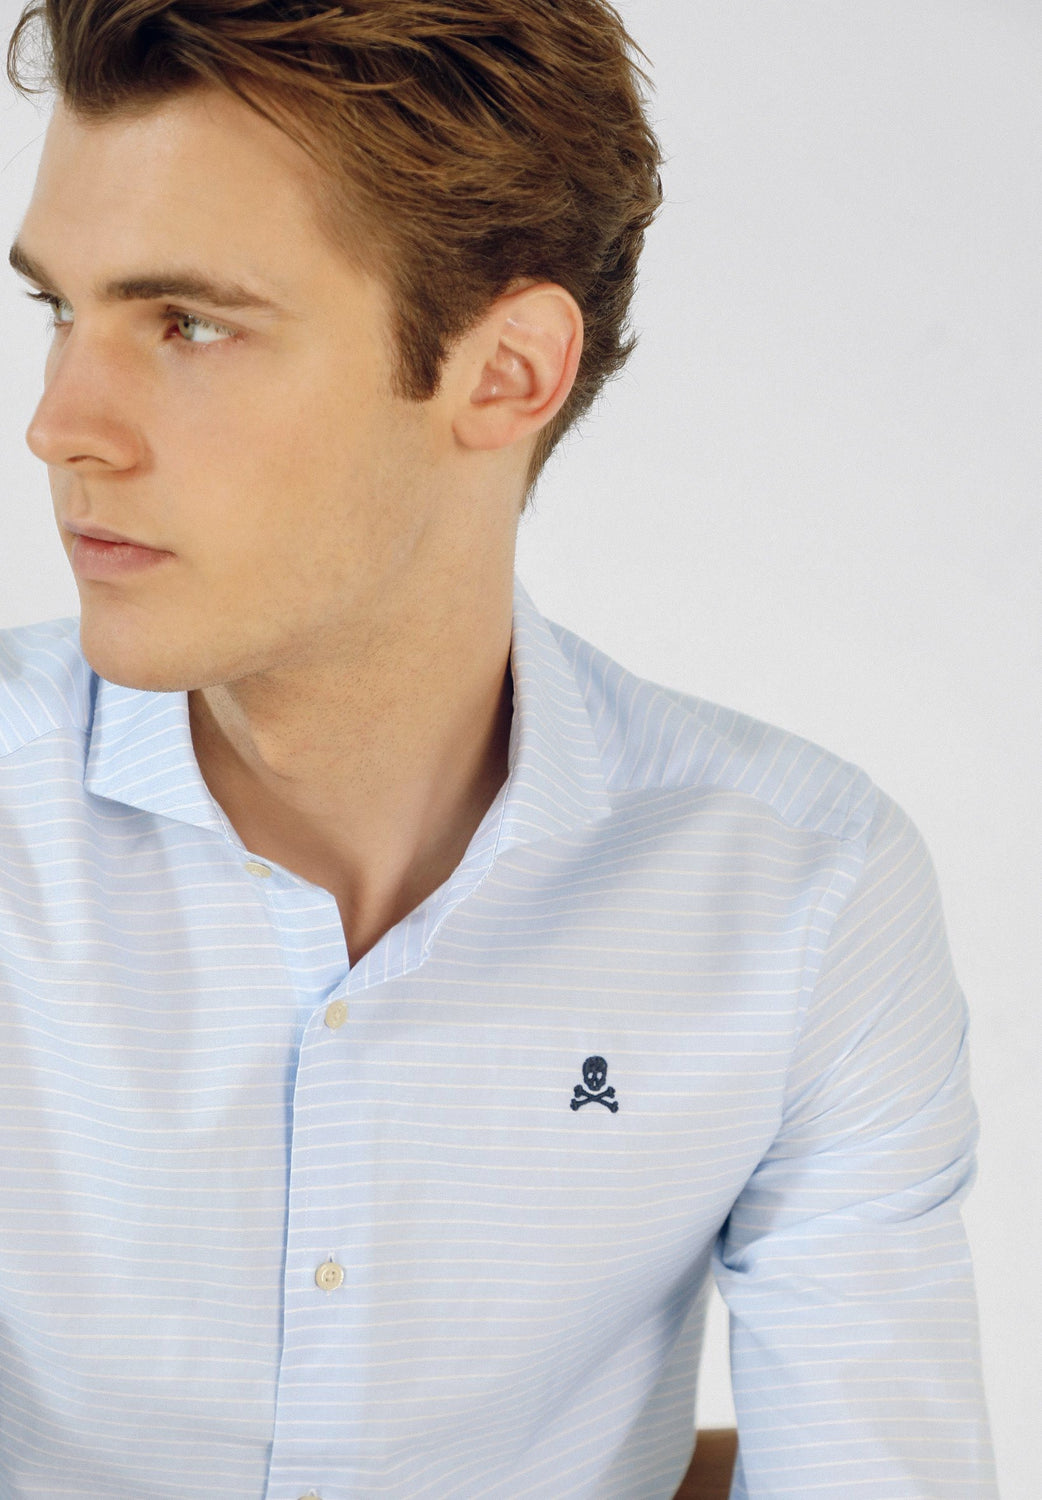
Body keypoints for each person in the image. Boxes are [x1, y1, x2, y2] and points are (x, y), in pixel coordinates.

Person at [0, 3, 998, 1497]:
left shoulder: (798, 896)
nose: (62, 426)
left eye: (189, 323)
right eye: (59, 312)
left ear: (506, 372)